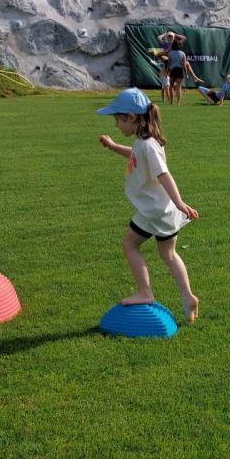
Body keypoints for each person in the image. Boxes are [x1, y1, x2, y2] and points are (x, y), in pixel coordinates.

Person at [96, 87, 200, 320]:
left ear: (131, 118)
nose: (116, 125)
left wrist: (180, 202)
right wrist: (114, 146)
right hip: (163, 210)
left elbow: (164, 174)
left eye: (118, 120)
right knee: (168, 254)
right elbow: (135, 155)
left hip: (152, 211)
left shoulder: (147, 145)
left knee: (129, 245)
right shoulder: (146, 142)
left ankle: (145, 292)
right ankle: (187, 296)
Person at [165, 39, 199, 106]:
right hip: (179, 71)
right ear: (179, 45)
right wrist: (186, 73)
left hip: (172, 70)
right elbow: (184, 64)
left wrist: (167, 72)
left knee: (171, 87)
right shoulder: (182, 53)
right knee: (178, 87)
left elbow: (169, 64)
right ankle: (178, 103)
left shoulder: (170, 53)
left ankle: (171, 102)